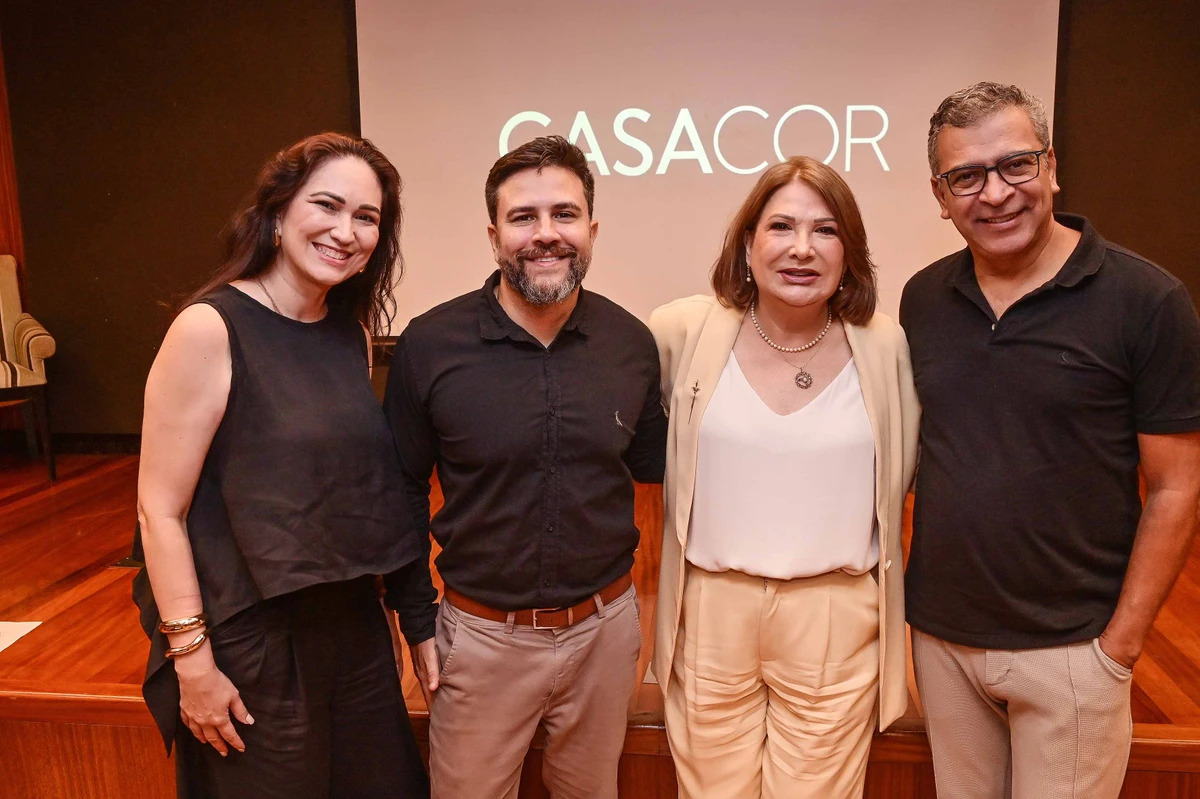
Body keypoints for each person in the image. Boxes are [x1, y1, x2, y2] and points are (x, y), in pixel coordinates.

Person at [901, 81, 1200, 798]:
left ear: (1052, 166)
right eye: (966, 177)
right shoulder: (921, 298)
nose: (996, 193)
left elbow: (1178, 483)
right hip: (942, 644)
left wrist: (1119, 648)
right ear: (940, 196)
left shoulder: (1148, 301)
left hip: (1075, 648)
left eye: (1016, 165)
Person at [133, 132, 432, 798]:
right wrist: (194, 664)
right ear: (276, 212)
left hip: (353, 629)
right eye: (326, 205)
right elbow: (160, 509)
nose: (346, 231)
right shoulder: (209, 328)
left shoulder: (347, 332)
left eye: (367, 218)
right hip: (252, 642)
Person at [382, 135, 667, 799]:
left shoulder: (630, 344)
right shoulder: (431, 343)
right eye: (523, 217)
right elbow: (398, 490)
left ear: (591, 229)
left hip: (605, 633)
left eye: (564, 215)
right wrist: (416, 619)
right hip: (482, 640)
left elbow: (656, 469)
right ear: (493, 235)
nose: (546, 235)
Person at [648, 155, 919, 799]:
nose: (802, 249)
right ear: (747, 241)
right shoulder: (679, 330)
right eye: (780, 227)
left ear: (850, 250)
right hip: (711, 607)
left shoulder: (886, 347)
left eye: (826, 230)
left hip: (836, 614)